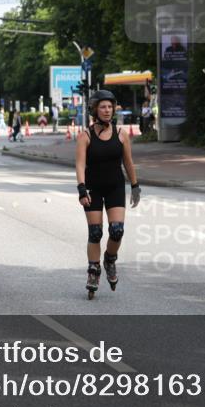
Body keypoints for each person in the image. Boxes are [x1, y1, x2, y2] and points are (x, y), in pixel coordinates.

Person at [75, 89, 140, 300]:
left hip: (115, 186)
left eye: (110, 106)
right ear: (95, 109)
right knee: (95, 232)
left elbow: (128, 162)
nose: (107, 110)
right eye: (102, 106)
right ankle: (93, 272)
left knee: (117, 230)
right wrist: (81, 188)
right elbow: (80, 164)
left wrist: (135, 185)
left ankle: (110, 259)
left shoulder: (121, 135)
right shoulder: (85, 136)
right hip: (93, 188)